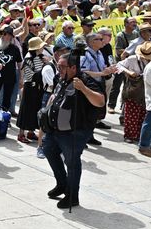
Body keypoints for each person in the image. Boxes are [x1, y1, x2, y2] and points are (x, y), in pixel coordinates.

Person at [43, 52, 105, 209]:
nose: (59, 70)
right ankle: (62, 184)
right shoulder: (60, 78)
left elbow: (100, 101)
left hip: (75, 131)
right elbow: (55, 95)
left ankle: (72, 196)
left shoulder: (85, 80)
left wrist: (83, 89)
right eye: (58, 66)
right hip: (54, 129)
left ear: (73, 67)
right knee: (49, 151)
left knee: (71, 162)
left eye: (63, 67)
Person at [16, 37, 46, 148]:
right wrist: (44, 67)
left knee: (34, 110)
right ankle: (21, 134)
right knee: (26, 110)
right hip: (30, 87)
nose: (43, 48)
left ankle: (31, 131)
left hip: (37, 87)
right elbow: (31, 75)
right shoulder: (29, 58)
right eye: (41, 46)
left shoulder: (38, 57)